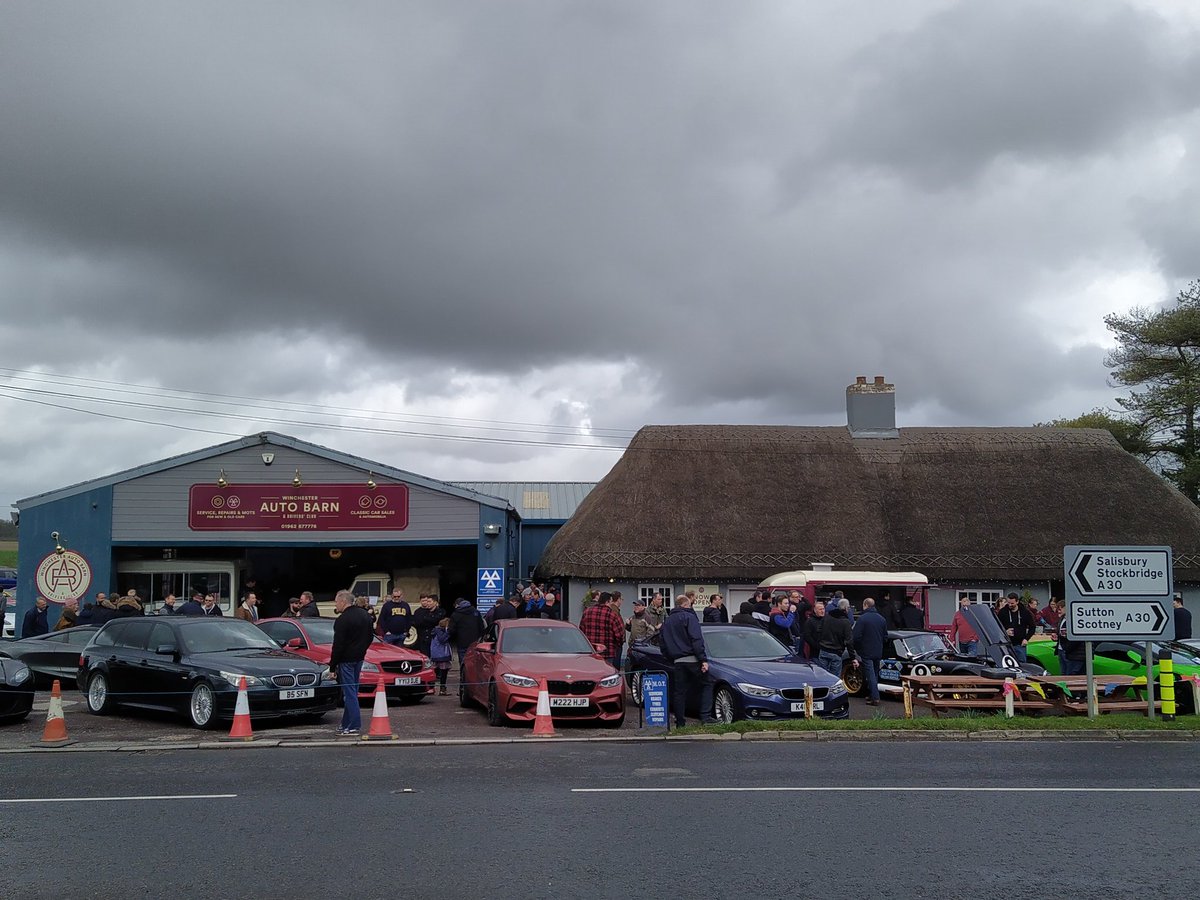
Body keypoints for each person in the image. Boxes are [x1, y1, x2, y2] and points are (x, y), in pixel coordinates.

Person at [659, 593, 716, 726]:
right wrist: (703, 659)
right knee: (707, 683)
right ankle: (705, 717)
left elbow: (663, 644)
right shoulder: (689, 617)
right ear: (686, 604)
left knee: (679, 692)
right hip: (693, 659)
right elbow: (696, 639)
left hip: (678, 661)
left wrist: (670, 658)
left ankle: (680, 722)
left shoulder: (667, 621)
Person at [328, 589, 373, 736]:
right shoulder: (365, 615)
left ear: (343, 601)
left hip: (346, 660)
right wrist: (362, 650)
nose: (336, 604)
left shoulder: (342, 620)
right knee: (352, 691)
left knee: (349, 693)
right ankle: (345, 724)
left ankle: (354, 725)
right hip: (359, 658)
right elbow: (370, 637)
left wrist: (332, 666)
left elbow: (338, 645)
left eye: (336, 601)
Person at [852, 597, 888, 706]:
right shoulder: (882, 619)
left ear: (865, 605)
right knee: (875, 674)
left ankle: (875, 697)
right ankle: (872, 694)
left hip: (866, 651)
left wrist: (858, 649)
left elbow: (856, 636)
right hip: (878, 650)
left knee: (870, 674)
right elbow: (885, 636)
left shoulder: (862, 619)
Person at [579, 590, 625, 669]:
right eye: (610, 602)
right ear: (607, 601)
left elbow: (581, 630)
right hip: (608, 652)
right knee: (607, 675)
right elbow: (620, 634)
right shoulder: (611, 614)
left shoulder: (587, 612)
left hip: (592, 651)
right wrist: (618, 645)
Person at [817, 598, 858, 680]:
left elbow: (818, 631)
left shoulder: (827, 617)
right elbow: (849, 641)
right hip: (836, 652)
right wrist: (853, 658)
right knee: (834, 679)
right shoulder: (845, 622)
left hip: (823, 650)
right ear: (846, 608)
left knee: (821, 677)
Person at [996, 592, 1035, 662]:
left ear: (1017, 602)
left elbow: (1032, 627)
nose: (1010, 605)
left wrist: (1026, 638)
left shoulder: (1025, 612)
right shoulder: (1003, 612)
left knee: (1022, 664)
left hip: (1020, 644)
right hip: (1006, 644)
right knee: (1006, 664)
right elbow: (996, 626)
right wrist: (1005, 632)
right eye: (1008, 603)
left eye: (1012, 603)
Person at [448, 598, 486, 665]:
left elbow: (451, 630)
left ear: (457, 605)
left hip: (462, 642)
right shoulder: (476, 612)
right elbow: (481, 627)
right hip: (474, 641)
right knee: (474, 662)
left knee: (463, 663)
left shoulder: (456, 614)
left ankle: (464, 674)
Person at [430, 617, 453, 695]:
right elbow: (442, 640)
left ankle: (431, 688)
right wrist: (447, 631)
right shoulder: (441, 631)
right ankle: (442, 689)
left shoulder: (435, 630)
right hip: (442, 654)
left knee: (434, 672)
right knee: (444, 673)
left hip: (435, 654)